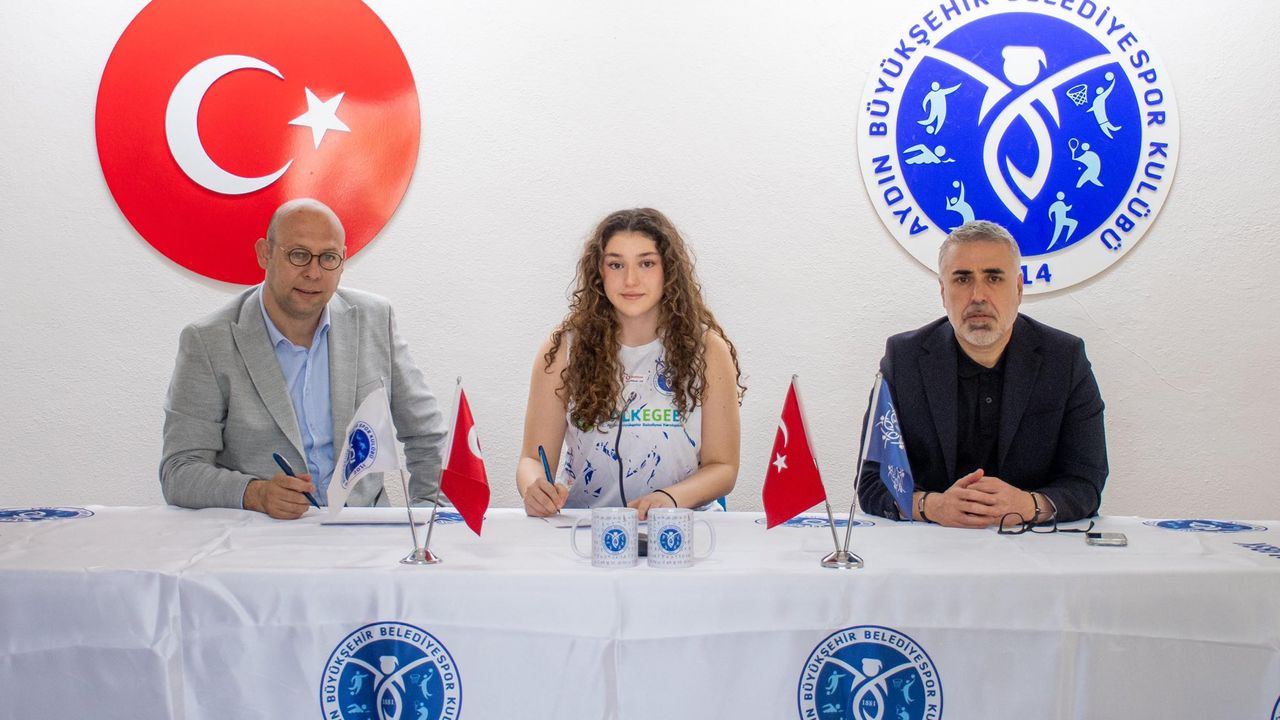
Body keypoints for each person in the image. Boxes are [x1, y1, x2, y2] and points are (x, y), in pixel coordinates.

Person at [160, 198, 446, 519]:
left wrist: (429, 515)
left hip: (361, 527)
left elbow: (428, 435)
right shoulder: (209, 341)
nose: (313, 273)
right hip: (262, 532)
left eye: (328, 258)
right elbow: (179, 469)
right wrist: (255, 493)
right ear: (265, 254)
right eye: (298, 255)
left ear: (342, 261)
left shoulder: (375, 319)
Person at [858, 220, 1107, 527]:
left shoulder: (1065, 360)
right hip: (931, 542)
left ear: (1018, 288)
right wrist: (932, 506)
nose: (978, 295)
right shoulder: (903, 360)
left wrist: (1027, 505)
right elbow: (871, 481)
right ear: (943, 291)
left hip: (1033, 545)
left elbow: (1086, 481)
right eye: (962, 279)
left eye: (994, 278)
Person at [517, 208, 744, 519]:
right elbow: (532, 458)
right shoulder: (563, 349)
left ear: (669, 270)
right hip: (586, 529)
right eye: (616, 264)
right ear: (599, 273)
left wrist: (669, 498)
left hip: (679, 526)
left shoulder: (708, 350)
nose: (630, 279)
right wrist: (534, 487)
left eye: (646, 263)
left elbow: (723, 467)